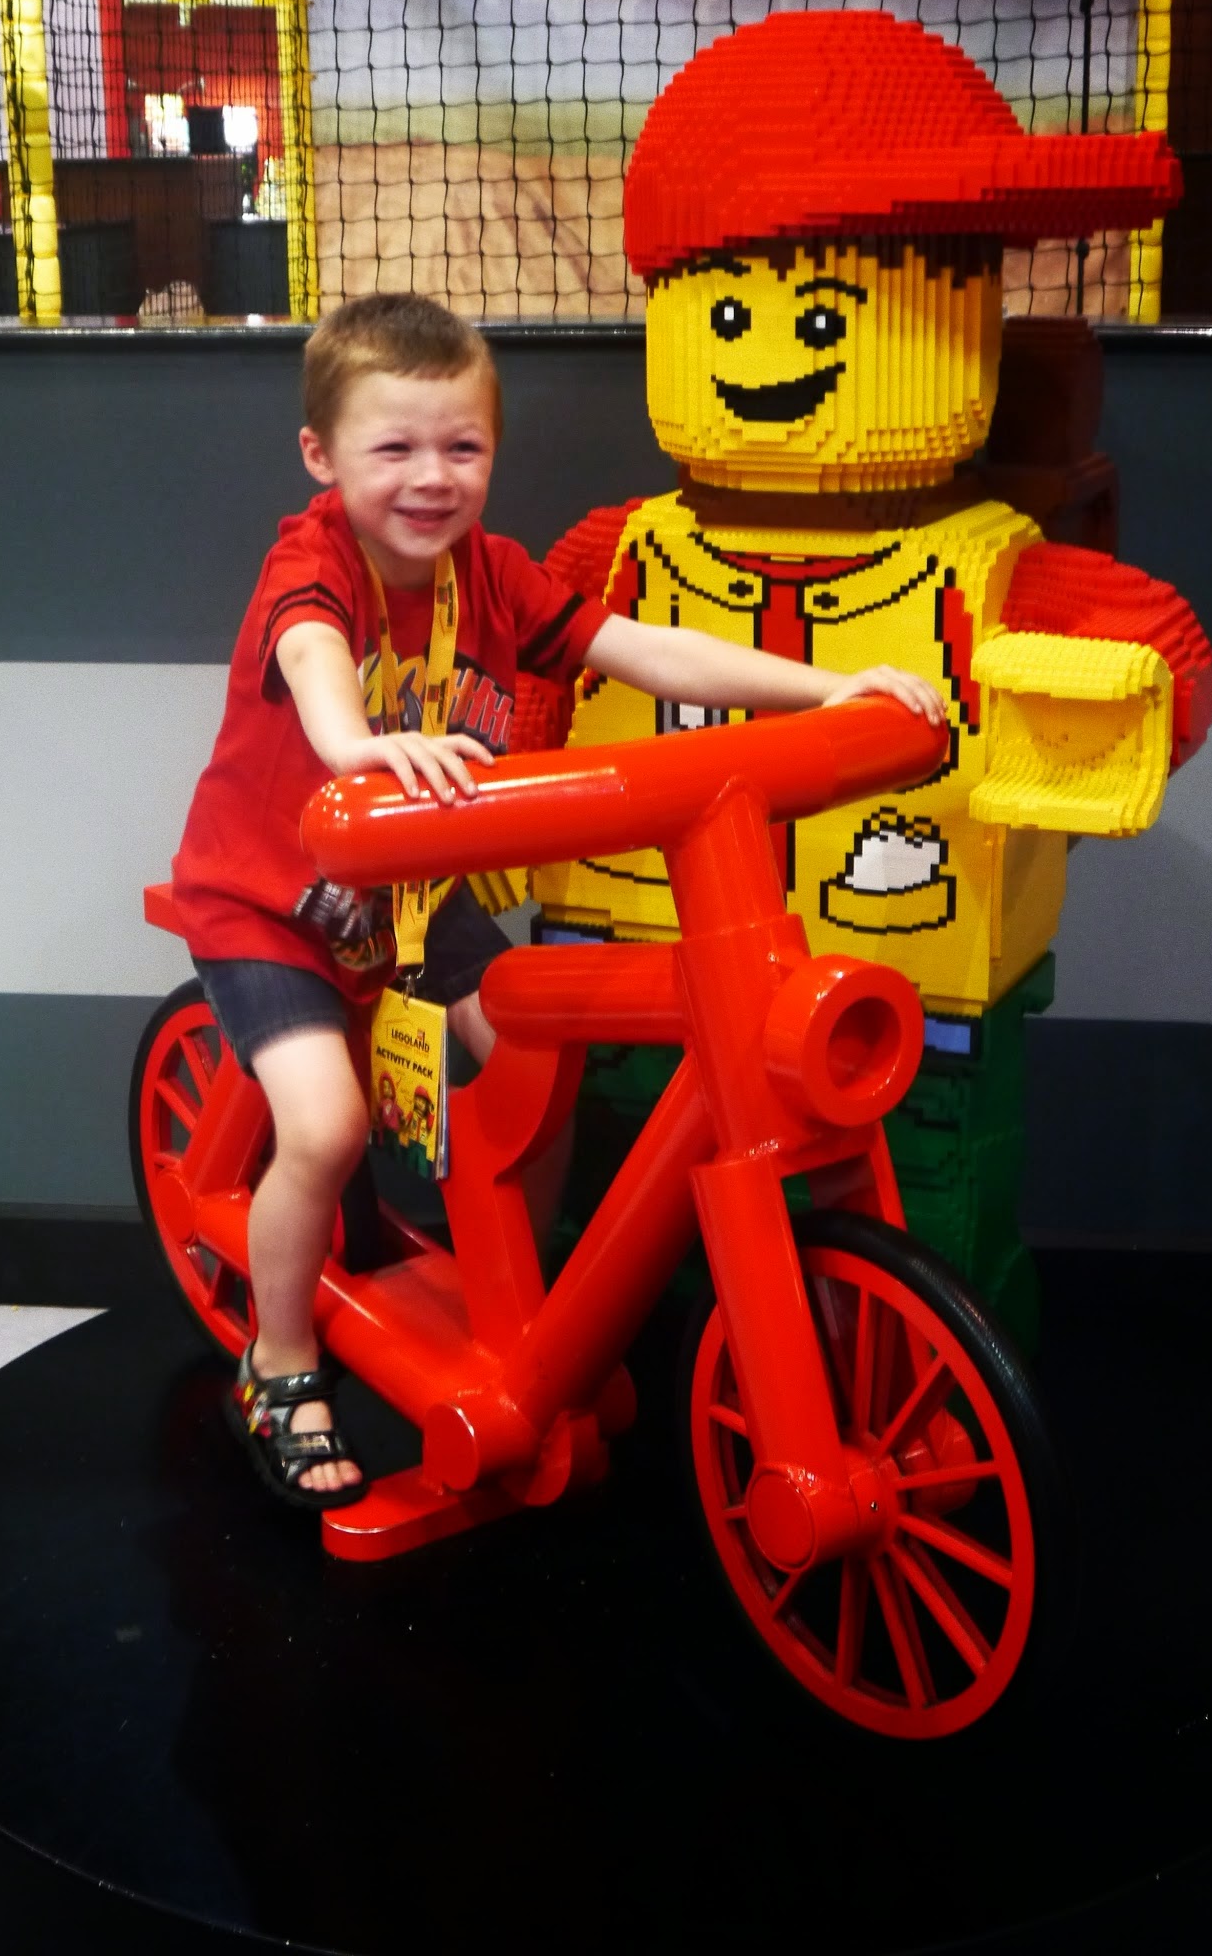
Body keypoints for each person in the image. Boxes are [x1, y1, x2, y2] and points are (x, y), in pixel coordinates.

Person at [170, 290, 945, 1511]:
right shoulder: (311, 563)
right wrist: (354, 744)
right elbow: (311, 653)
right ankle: (277, 1362)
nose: (433, 476)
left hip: (412, 893)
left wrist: (829, 688)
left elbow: (647, 648)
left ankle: (512, 1308)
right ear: (321, 455)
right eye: (395, 446)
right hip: (276, 903)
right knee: (323, 1129)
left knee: (541, 1064)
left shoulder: (493, 574)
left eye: (463, 445)